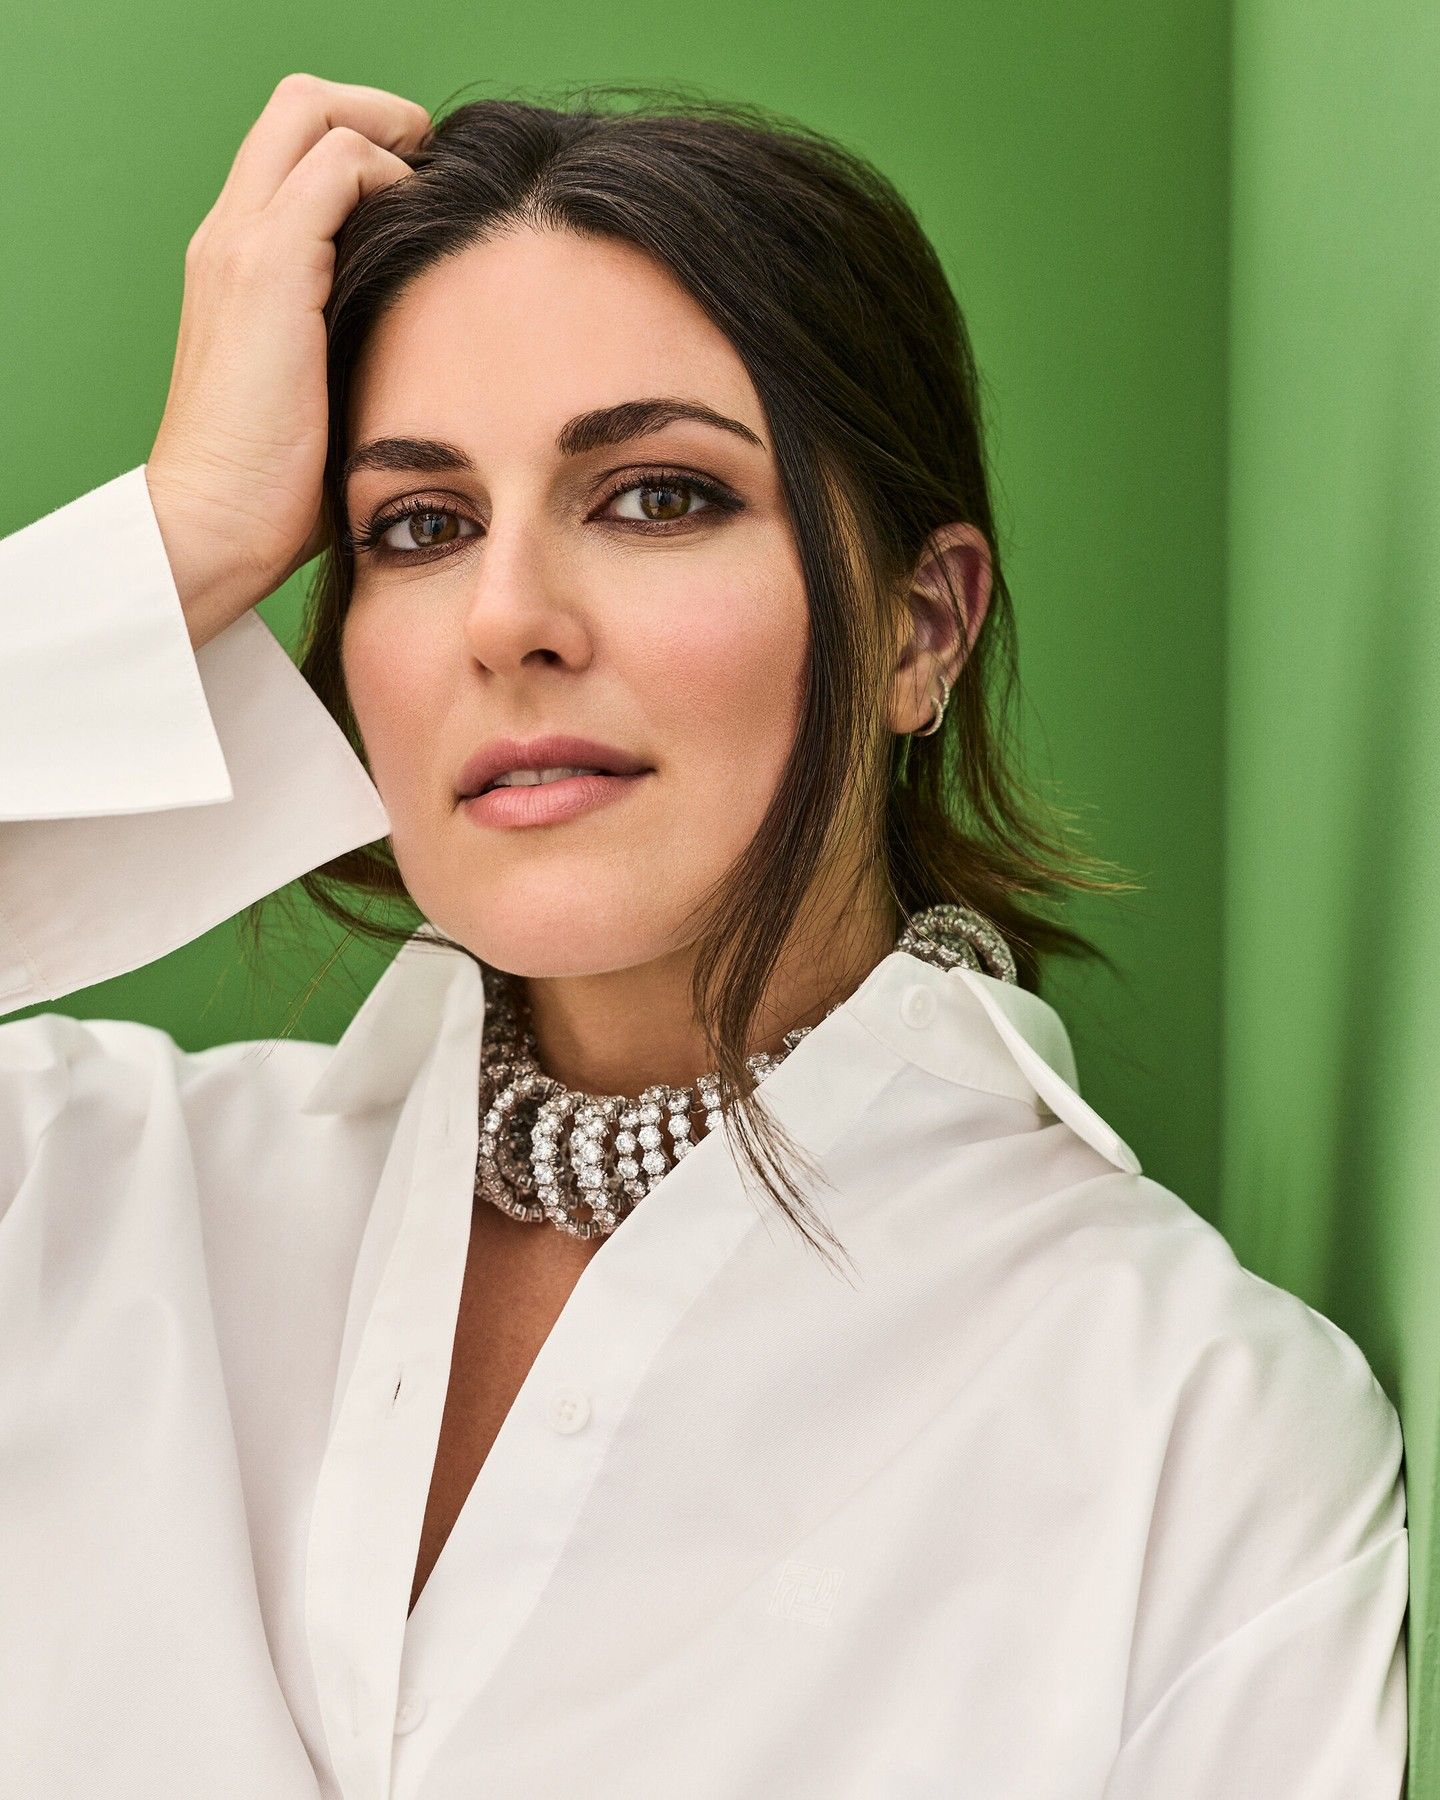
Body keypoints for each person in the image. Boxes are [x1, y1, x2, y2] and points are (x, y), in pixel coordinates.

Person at [0, 72, 1407, 1800]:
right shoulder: (69, 1198)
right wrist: (183, 537)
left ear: (922, 626)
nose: (507, 619)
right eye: (419, 527)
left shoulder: (1194, 1433)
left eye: (657, 497)